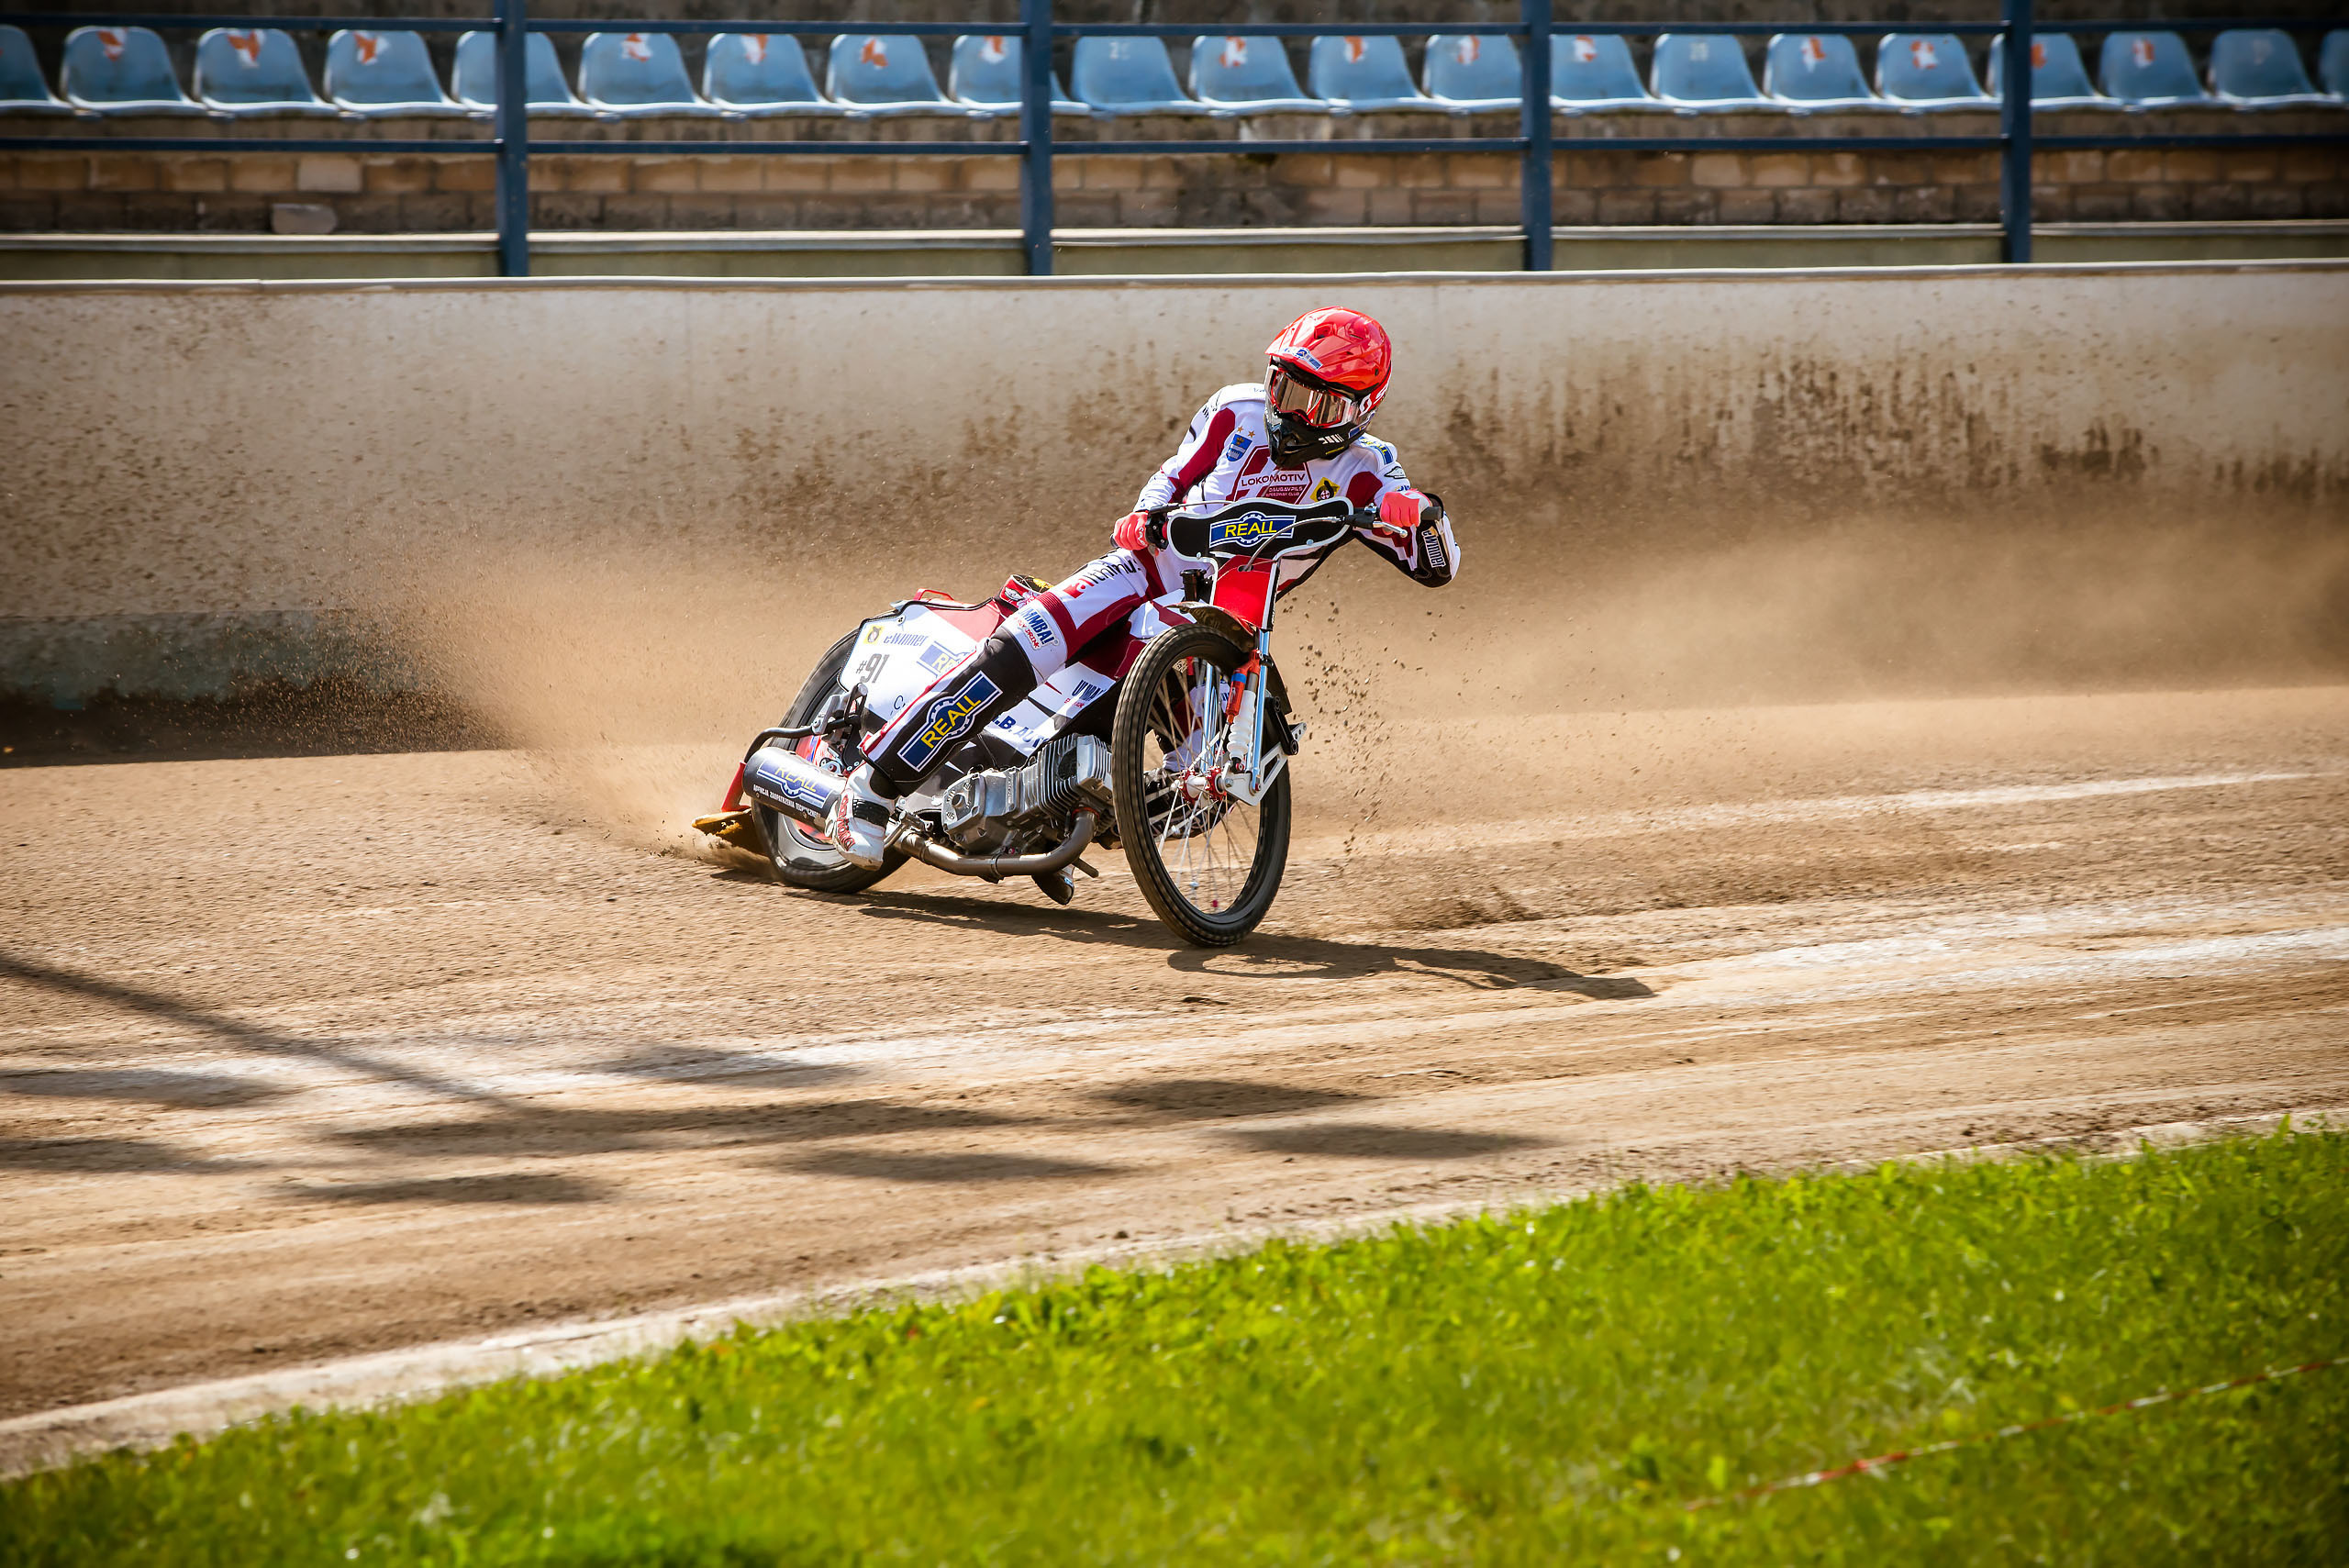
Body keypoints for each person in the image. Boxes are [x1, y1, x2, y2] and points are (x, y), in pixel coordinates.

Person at [827, 306, 1463, 868]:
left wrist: (1423, 515)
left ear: (1359, 410)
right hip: (1142, 571)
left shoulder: (1369, 468)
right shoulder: (1235, 410)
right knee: (1029, 637)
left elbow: (1437, 566)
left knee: (1209, 787)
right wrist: (1145, 515)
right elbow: (1170, 477)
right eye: (1284, 387)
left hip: (1214, 628)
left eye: (1315, 403)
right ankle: (870, 789)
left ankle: (1076, 807)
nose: (1290, 411)